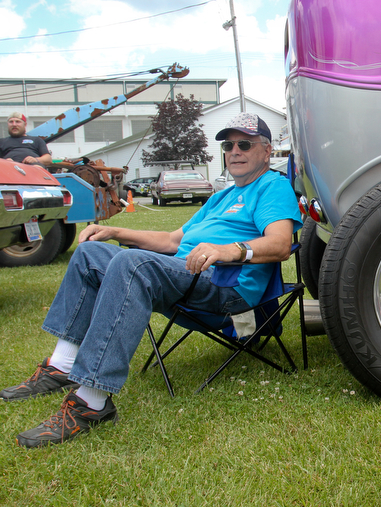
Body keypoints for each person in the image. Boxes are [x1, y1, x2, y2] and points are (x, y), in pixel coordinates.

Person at [1, 113, 302, 448]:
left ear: (266, 150)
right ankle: (62, 365)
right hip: (180, 275)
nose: (234, 150)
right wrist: (114, 231)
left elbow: (279, 244)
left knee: (134, 264)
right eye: (228, 145)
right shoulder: (222, 196)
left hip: (225, 290)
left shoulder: (272, 187)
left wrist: (226, 250)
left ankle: (91, 402)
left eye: (244, 143)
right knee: (89, 254)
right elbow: (173, 241)